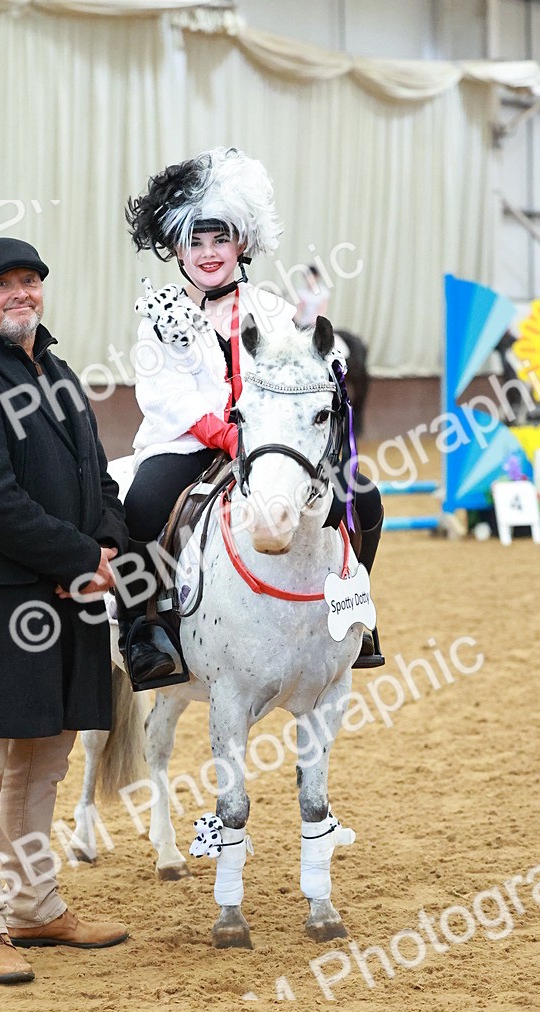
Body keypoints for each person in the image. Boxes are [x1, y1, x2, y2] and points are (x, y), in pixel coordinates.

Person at [0, 237, 129, 986]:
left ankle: (34, 905)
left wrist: (105, 544)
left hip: (69, 592)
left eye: (31, 281)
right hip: (0, 601)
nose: (21, 293)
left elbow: (95, 473)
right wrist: (78, 558)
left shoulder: (60, 369)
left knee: (47, 754)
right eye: (2, 285)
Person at [119, 147, 384, 688]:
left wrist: (319, 348)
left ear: (243, 243)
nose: (208, 252)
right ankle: (144, 630)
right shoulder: (160, 318)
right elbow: (165, 394)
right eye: (195, 240)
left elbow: (304, 364)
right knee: (142, 506)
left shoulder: (272, 308)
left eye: (220, 239)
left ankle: (354, 603)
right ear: (174, 247)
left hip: (271, 444)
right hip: (187, 446)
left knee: (365, 496)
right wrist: (221, 431)